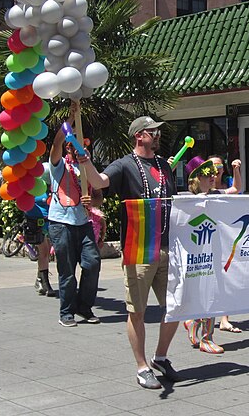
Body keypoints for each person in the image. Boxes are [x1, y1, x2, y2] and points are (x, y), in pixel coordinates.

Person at [79, 115, 182, 390]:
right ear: (139, 136)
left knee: (175, 307)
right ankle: (141, 366)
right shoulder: (125, 164)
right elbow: (100, 182)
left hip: (167, 247)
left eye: (158, 132)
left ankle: (160, 357)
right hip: (138, 248)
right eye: (152, 132)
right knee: (136, 311)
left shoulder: (164, 165)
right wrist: (85, 161)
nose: (157, 136)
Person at [46, 102, 102, 328]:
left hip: (84, 221)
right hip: (61, 223)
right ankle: (67, 311)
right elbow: (56, 143)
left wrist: (93, 201)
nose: (74, 148)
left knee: (92, 263)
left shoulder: (86, 166)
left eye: (79, 144)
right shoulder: (58, 165)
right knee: (67, 270)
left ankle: (84, 306)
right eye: (72, 144)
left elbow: (98, 195)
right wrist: (69, 121)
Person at [181, 156, 243, 353]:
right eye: (207, 174)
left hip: (214, 253)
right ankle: (197, 326)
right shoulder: (187, 200)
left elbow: (236, 189)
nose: (213, 176)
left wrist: (235, 171)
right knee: (201, 294)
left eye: (213, 172)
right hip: (196, 256)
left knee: (212, 293)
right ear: (196, 179)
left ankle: (204, 334)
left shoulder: (216, 193)